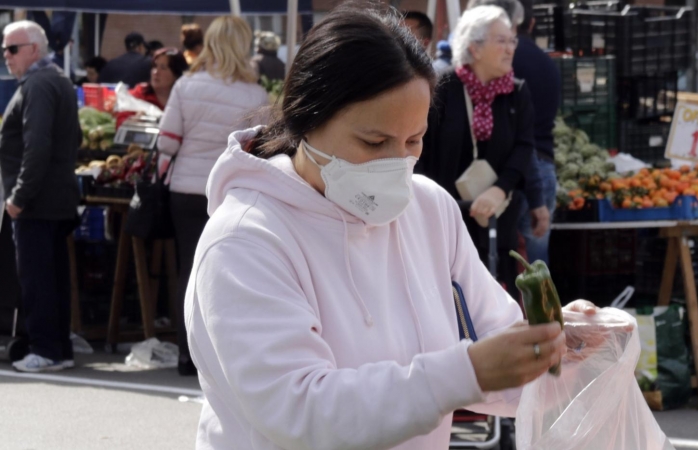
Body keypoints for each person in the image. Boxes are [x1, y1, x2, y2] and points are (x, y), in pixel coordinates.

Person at [185, 5, 595, 448]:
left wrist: (563, 349)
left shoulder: (430, 209)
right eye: (374, 142)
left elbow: (497, 346)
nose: (396, 162)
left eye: (414, 140)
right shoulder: (246, 239)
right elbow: (297, 411)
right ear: (307, 119)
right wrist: (464, 372)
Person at [158, 15, 268, 377]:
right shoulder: (255, 94)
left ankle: (186, 355)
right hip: (231, 193)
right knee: (228, 274)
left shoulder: (187, 85)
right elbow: (259, 150)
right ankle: (220, 357)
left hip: (186, 191)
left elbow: (166, 141)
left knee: (187, 270)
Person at [419, 6, 544, 301]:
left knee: (499, 297)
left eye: (512, 40)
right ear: (474, 48)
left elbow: (525, 147)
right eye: (501, 40)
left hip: (499, 219)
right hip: (446, 217)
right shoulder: (441, 89)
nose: (510, 48)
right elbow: (420, 152)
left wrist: (500, 190)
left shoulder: (517, 92)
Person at [0, 21, 81, 373]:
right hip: (53, 197)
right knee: (52, 277)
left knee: (37, 279)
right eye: (4, 49)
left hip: (37, 201)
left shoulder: (39, 83)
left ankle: (45, 347)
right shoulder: (56, 78)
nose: (6, 56)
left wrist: (18, 197)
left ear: (33, 49)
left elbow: (38, 147)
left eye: (12, 49)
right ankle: (57, 347)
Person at [468, 0, 559, 264]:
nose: (508, 49)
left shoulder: (500, 70)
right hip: (541, 169)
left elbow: (521, 141)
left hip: (513, 172)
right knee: (536, 268)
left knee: (504, 261)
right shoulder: (547, 63)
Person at [116, 48, 188, 128]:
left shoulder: (186, 101)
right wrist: (133, 122)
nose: (156, 72)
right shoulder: (139, 95)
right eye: (154, 66)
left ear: (176, 75)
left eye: (163, 68)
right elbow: (120, 124)